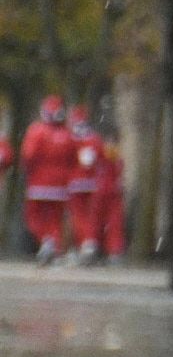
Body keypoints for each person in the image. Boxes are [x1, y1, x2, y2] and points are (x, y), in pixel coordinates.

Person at [20, 96, 75, 264]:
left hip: (39, 183)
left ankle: (46, 242)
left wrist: (27, 171)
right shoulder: (67, 135)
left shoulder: (37, 131)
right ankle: (54, 246)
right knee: (55, 218)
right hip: (60, 186)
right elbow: (73, 159)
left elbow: (28, 156)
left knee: (33, 215)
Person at [65, 105, 104, 263]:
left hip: (74, 183)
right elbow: (100, 158)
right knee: (90, 215)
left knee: (78, 215)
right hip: (91, 183)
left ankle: (85, 243)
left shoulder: (71, 138)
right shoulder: (94, 138)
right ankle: (90, 242)